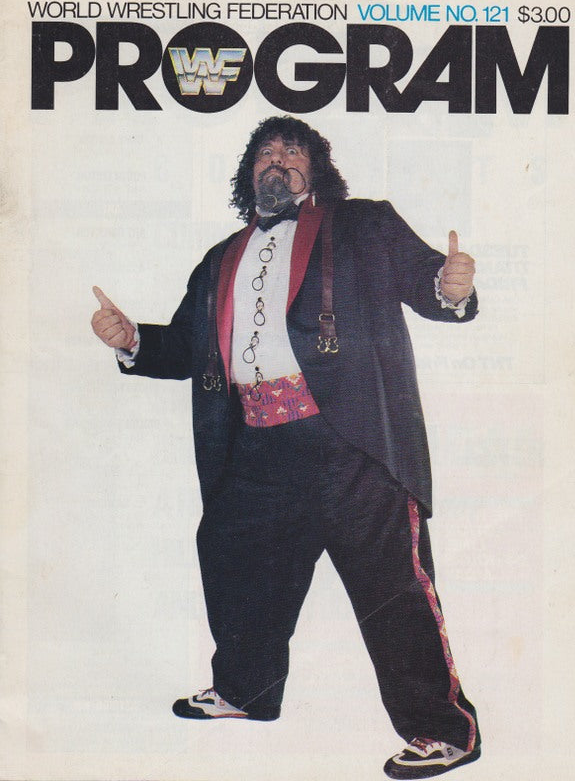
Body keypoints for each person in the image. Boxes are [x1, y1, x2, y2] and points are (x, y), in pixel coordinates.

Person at [91, 116, 481, 779]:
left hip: (351, 442)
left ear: (316, 169)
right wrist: (131, 340)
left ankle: (443, 731)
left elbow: (429, 284)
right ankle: (246, 691)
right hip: (258, 446)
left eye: (292, 151)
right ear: (249, 174)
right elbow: (186, 349)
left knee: (391, 589)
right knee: (237, 565)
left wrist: (451, 287)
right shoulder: (220, 258)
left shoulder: (362, 224)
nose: (277, 160)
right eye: (265, 152)